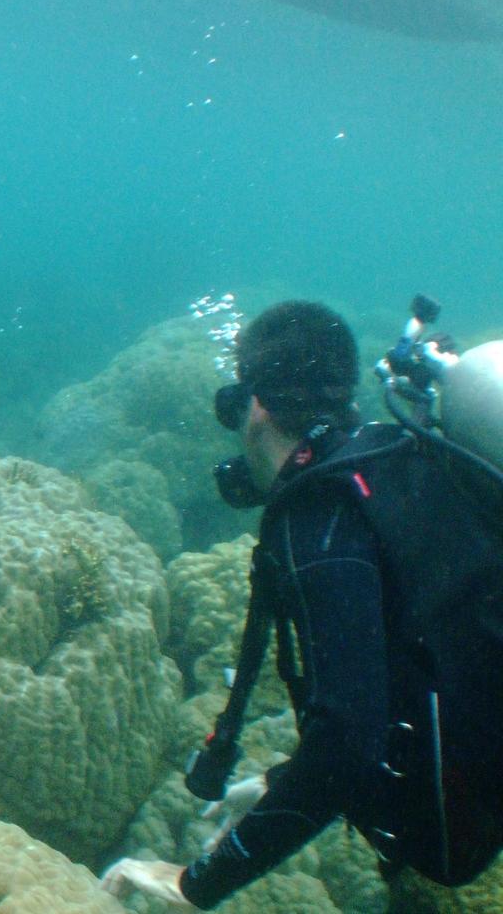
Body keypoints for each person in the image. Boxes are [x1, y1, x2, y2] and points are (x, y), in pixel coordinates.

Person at [100, 300, 503, 910]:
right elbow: (420, 658)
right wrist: (282, 780)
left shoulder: (319, 513)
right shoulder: (401, 458)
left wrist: (195, 882)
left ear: (256, 407)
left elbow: (347, 740)